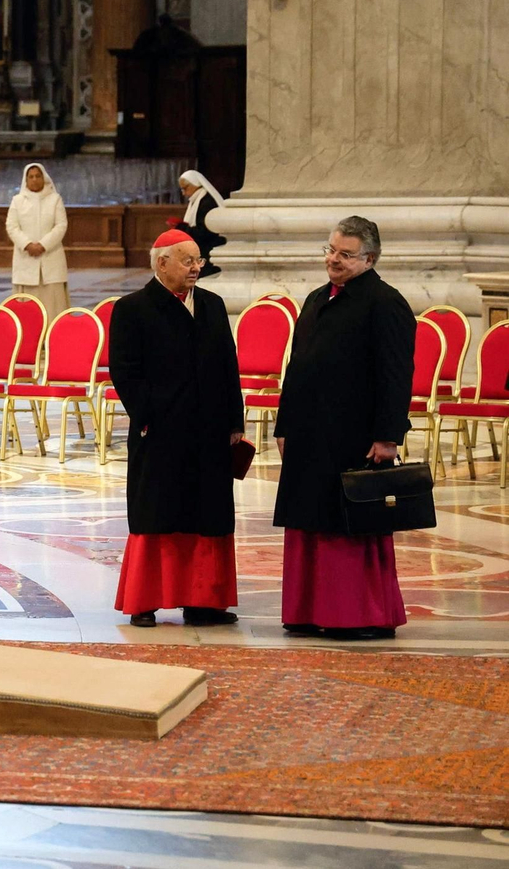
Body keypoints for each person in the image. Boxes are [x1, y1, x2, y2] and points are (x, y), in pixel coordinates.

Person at [272, 217, 415, 640]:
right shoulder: (317, 298)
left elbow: (395, 376)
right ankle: (306, 609)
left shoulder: (385, 303)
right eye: (331, 250)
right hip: (309, 433)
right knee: (309, 518)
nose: (333, 259)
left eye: (345, 254)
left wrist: (388, 436)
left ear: (369, 259)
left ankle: (357, 615)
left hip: (354, 436)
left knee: (348, 525)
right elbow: (297, 367)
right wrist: (284, 425)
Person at [109, 229, 246, 628]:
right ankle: (145, 601)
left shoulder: (212, 305)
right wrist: (148, 415)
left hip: (210, 432)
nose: (196, 267)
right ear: (162, 263)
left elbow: (229, 365)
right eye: (188, 261)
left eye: (198, 260)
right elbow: (125, 372)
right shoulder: (132, 309)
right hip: (161, 432)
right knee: (158, 513)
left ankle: (204, 602)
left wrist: (234, 421)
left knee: (207, 515)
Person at [6, 162, 70, 318]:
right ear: (26, 180)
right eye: (31, 177)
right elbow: (12, 226)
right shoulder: (17, 201)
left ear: (44, 178)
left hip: (51, 259)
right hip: (26, 259)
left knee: (53, 308)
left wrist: (43, 245)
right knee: (26, 312)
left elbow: (61, 225)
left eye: (38, 176)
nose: (34, 180)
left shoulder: (55, 199)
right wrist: (27, 245)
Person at [173, 170, 227, 278]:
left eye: (185, 188)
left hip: (209, 250)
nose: (183, 193)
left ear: (195, 184)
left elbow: (206, 231)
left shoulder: (207, 202)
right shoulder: (196, 199)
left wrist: (182, 227)